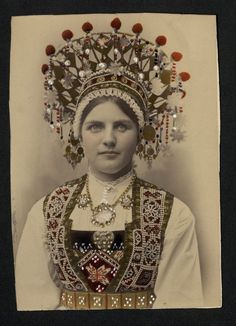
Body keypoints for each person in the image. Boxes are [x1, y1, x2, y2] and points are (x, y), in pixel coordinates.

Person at [15, 19, 203, 310]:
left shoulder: (174, 214)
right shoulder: (45, 211)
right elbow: (30, 302)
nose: (109, 139)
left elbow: (180, 306)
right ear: (77, 133)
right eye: (95, 127)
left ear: (140, 134)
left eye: (121, 126)